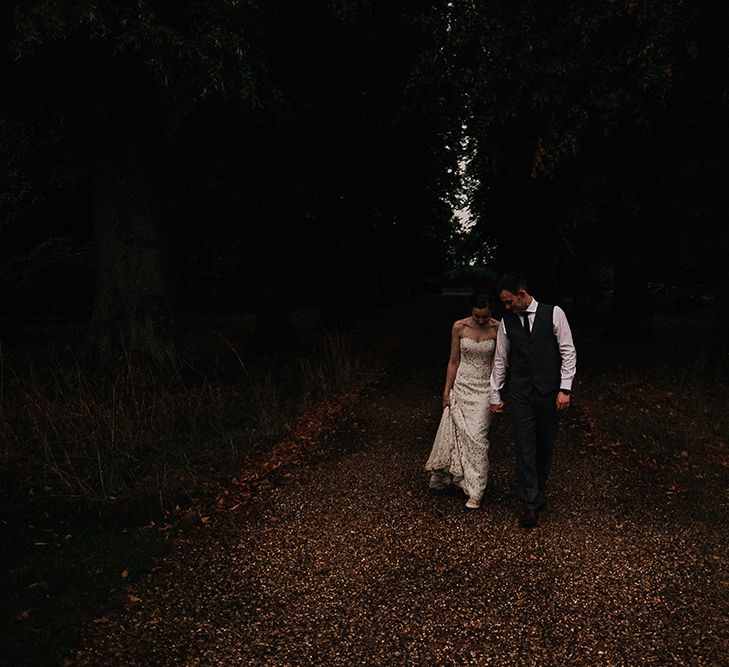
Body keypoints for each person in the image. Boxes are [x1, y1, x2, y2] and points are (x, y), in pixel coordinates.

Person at [489, 272, 576, 528]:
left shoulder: (554, 313)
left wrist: (565, 389)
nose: (506, 307)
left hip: (549, 392)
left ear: (522, 295)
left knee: (545, 445)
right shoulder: (507, 322)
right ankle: (529, 502)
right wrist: (496, 393)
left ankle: (538, 491)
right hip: (521, 393)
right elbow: (501, 359)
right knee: (525, 444)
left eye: (509, 301)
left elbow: (568, 351)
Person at [425, 292, 499, 509]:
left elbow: (498, 366)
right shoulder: (459, 327)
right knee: (458, 433)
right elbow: (453, 360)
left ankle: (476, 490)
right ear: (472, 312)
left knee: (477, 437)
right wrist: (446, 392)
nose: (482, 321)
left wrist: (496, 393)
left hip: (484, 388)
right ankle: (457, 478)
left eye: (485, 317)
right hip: (462, 385)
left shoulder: (498, 329)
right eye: (478, 317)